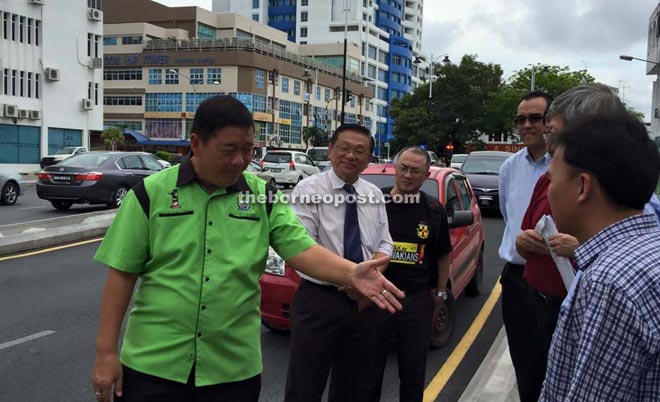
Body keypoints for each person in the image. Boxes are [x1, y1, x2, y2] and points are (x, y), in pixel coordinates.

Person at [90, 97, 404, 402]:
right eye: (229, 150)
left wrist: (350, 272)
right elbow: (122, 275)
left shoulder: (262, 196)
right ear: (196, 144)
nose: (240, 160)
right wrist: (106, 353)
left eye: (248, 150)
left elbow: (301, 248)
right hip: (153, 364)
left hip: (232, 369)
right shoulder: (150, 194)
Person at [513, 84, 623, 402]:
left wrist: (578, 249)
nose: (547, 140)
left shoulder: (618, 191)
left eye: (555, 132)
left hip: (573, 304)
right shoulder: (544, 181)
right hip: (534, 300)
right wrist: (526, 241)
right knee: (533, 381)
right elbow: (520, 236)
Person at [540, 113, 660, 401]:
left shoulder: (610, 282)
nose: (548, 192)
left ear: (583, 186)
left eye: (551, 180)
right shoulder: (648, 251)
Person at [284, 123, 393, 402]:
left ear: (369, 157)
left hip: (365, 302)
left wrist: (368, 278)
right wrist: (350, 277)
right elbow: (303, 247)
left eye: (360, 151)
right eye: (344, 148)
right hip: (320, 300)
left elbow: (385, 243)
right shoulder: (308, 189)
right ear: (331, 150)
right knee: (305, 385)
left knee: (355, 386)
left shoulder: (374, 194)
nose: (351, 156)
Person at [369, 146, 452, 402]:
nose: (408, 175)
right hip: (376, 297)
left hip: (415, 300)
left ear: (426, 174)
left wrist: (439, 292)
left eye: (415, 171)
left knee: (413, 370)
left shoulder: (434, 210)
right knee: (369, 369)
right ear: (395, 168)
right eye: (403, 168)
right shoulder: (374, 203)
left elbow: (442, 253)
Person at [497, 90, 553, 395]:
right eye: (521, 119)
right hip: (518, 280)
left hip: (556, 281)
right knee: (525, 366)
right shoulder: (510, 167)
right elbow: (510, 215)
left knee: (555, 363)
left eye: (535, 118)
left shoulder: (566, 166)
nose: (527, 125)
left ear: (551, 121)